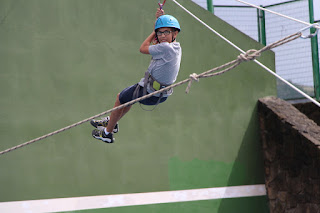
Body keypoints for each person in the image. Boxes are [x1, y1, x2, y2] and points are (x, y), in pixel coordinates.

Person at [91, 9, 182, 143]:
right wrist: (158, 23)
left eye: (166, 32)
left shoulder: (165, 48)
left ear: (175, 33)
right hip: (160, 94)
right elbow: (157, 43)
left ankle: (107, 134)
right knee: (127, 100)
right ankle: (112, 122)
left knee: (120, 98)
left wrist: (154, 31)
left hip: (149, 92)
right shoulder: (175, 47)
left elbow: (143, 48)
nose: (162, 36)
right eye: (160, 32)